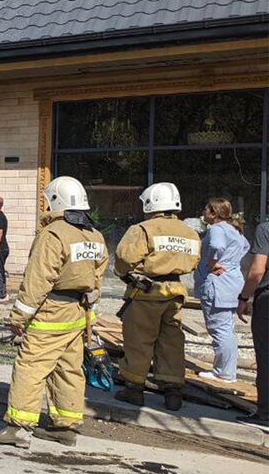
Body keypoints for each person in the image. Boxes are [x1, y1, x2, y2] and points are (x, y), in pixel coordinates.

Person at [0, 177, 106, 448]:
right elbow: (97, 279)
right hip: (77, 314)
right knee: (68, 369)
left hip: (51, 314)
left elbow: (38, 281)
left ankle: (17, 428)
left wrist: (18, 317)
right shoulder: (95, 235)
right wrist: (91, 315)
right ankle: (64, 427)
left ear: (55, 201)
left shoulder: (53, 235)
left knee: (30, 367)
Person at [113, 182, 201, 411]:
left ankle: (134, 389)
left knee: (139, 340)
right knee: (171, 341)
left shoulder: (143, 229)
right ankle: (173, 391)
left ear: (151, 203)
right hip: (175, 293)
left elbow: (124, 258)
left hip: (146, 292)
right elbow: (194, 261)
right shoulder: (189, 232)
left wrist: (124, 273)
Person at [195, 199, 249, 384]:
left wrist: (213, 262)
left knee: (219, 329)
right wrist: (231, 263)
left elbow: (217, 246)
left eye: (206, 208)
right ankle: (228, 371)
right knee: (228, 329)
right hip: (233, 282)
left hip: (218, 284)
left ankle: (223, 373)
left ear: (214, 213)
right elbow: (246, 247)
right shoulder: (234, 229)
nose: (203, 211)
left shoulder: (217, 229)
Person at [236, 220, 269, 427]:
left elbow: (257, 271)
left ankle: (265, 414)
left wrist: (243, 298)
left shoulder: (265, 229)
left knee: (266, 358)